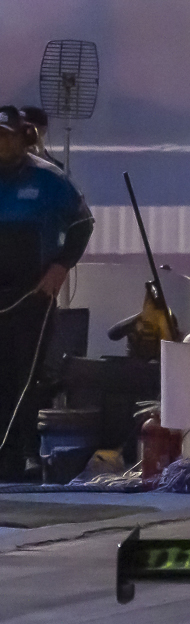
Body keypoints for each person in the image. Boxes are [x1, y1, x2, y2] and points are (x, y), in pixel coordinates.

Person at [0, 106, 92, 480]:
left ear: (24, 137)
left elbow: (83, 223)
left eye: (5, 136)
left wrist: (60, 267)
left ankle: (22, 456)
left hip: (30, 297)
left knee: (24, 378)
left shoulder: (50, 180)